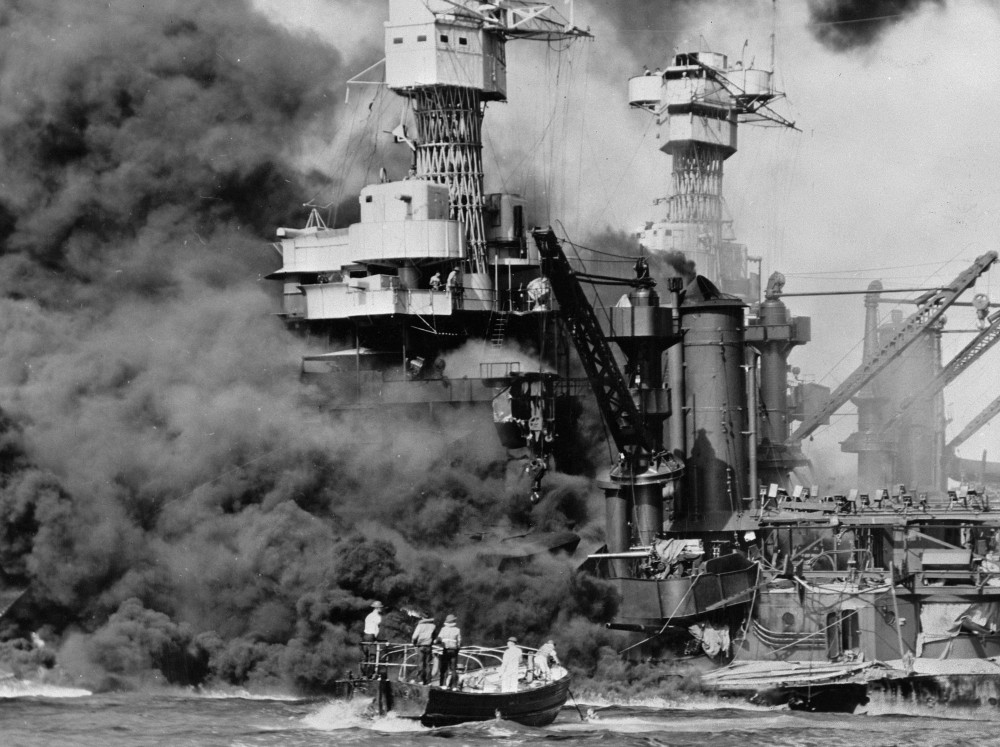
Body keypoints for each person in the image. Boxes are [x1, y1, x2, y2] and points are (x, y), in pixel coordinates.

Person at [436, 614, 462, 688]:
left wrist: (436, 642)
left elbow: (439, 639)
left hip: (446, 650)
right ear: (453, 621)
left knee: (444, 668)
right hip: (454, 651)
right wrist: (457, 649)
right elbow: (459, 642)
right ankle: (454, 686)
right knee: (453, 669)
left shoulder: (443, 629)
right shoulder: (457, 630)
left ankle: (443, 684)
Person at [411, 616, 436, 684]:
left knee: (421, 663)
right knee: (428, 664)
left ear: (423, 618)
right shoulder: (433, 626)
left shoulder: (420, 626)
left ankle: (420, 679)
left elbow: (414, 637)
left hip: (421, 646)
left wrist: (413, 643)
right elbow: (434, 637)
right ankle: (428, 681)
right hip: (429, 646)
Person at [362, 601, 383, 675]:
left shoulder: (368, 616)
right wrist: (375, 639)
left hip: (365, 636)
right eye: (380, 607)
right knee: (373, 656)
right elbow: (376, 630)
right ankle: (370, 674)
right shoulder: (378, 617)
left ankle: (363, 673)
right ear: (377, 608)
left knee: (365, 656)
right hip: (371, 636)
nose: (381, 609)